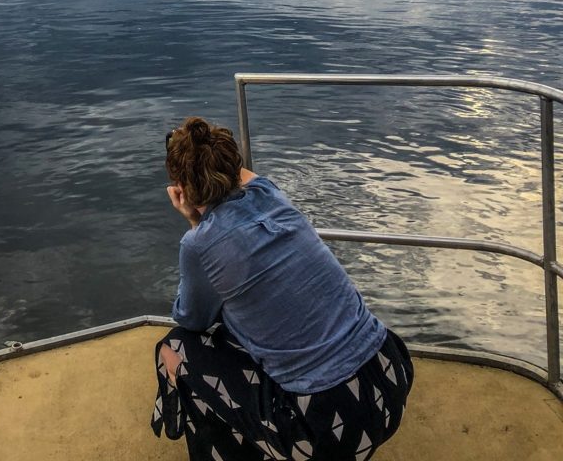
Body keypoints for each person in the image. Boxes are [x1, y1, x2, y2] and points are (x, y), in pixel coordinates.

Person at [151, 116, 413, 461]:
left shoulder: (199, 244)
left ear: (180, 188)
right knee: (237, 329)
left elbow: (192, 319)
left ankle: (202, 436)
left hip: (327, 431)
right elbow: (240, 176)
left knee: (175, 350)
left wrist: (192, 220)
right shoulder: (269, 191)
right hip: (390, 376)